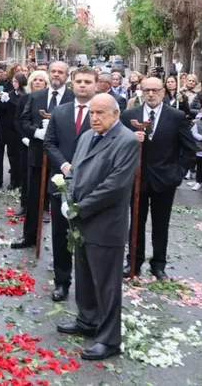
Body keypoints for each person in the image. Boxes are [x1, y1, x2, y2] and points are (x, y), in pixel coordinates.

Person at [57, 93, 139, 361]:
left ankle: (109, 339)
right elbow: (74, 173)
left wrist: (81, 207)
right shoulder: (86, 137)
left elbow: (114, 187)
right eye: (92, 112)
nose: (94, 117)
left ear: (116, 114)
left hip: (105, 223)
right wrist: (66, 198)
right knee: (84, 275)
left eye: (101, 113)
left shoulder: (126, 141)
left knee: (106, 283)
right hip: (80, 220)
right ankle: (87, 320)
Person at [121, 76, 198, 279]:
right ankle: (134, 262)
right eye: (147, 90)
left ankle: (158, 264)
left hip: (165, 180)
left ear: (163, 92)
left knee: (160, 223)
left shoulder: (177, 116)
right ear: (141, 92)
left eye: (155, 90)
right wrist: (131, 139)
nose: (151, 94)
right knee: (136, 222)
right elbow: (117, 145)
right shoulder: (129, 116)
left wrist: (178, 173)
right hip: (137, 179)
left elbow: (190, 149)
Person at [44, 67, 99, 301]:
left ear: (96, 85)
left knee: (89, 236)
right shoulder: (60, 112)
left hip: (92, 185)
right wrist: (65, 166)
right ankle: (61, 281)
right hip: (61, 183)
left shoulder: (103, 111)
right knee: (60, 235)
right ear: (71, 84)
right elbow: (50, 142)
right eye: (78, 81)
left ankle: (89, 285)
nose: (83, 85)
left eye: (88, 81)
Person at [14, 62, 73, 250]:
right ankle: (29, 235)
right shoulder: (36, 96)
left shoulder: (73, 98)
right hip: (38, 155)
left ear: (66, 75)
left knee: (60, 200)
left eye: (60, 72)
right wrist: (36, 132)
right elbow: (24, 120)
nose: (56, 75)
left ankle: (63, 244)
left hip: (63, 159)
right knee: (33, 198)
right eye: (53, 71)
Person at [5, 70, 30, 197]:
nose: (13, 83)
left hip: (21, 130)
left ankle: (20, 182)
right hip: (10, 129)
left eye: (16, 81)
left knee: (21, 157)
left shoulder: (25, 95)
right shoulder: (9, 95)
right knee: (11, 155)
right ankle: (13, 181)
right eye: (13, 81)